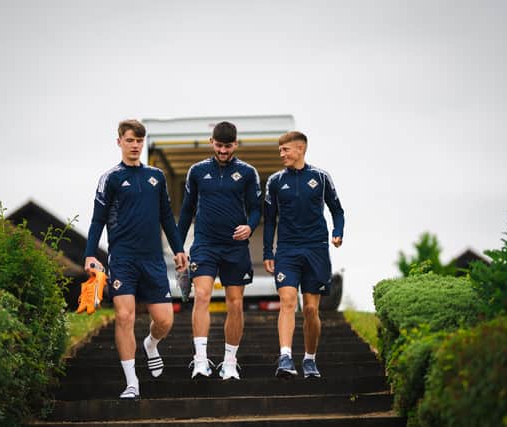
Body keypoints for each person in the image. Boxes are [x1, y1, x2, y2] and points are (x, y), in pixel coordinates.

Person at [84, 119, 188, 399]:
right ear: (119, 141)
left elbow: (166, 215)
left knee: (165, 320)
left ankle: (151, 345)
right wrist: (90, 254)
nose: (135, 146)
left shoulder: (156, 177)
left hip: (153, 260)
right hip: (123, 259)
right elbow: (98, 220)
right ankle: (132, 383)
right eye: (130, 140)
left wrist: (178, 248)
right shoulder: (111, 178)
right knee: (124, 316)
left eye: (139, 141)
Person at [177, 121, 262, 380]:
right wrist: (179, 246)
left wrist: (250, 226)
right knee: (201, 296)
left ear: (236, 144)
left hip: (235, 247)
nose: (223, 150)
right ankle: (200, 360)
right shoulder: (197, 171)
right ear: (211, 141)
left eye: (228, 146)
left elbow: (257, 208)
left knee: (235, 304)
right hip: (204, 244)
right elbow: (187, 210)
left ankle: (229, 362)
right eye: (219, 145)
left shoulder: (248, 173)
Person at [262, 131, 345, 378]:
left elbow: (337, 210)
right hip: (287, 250)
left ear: (300, 149)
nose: (281, 154)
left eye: (285, 150)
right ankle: (285, 357)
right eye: (280, 150)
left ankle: (309, 359)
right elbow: (269, 221)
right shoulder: (275, 181)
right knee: (287, 301)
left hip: (316, 248)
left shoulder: (320, 177)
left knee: (310, 309)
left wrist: (337, 232)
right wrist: (269, 251)